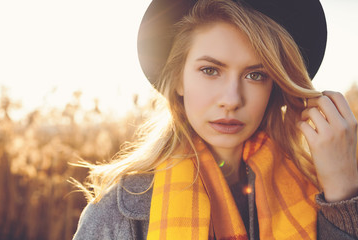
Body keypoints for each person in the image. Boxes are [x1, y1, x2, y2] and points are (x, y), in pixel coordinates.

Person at [73, 0, 358, 239]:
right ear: (178, 80)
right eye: (210, 70)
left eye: (255, 75)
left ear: (274, 87)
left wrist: (342, 192)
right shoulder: (115, 214)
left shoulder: (317, 189)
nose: (232, 99)